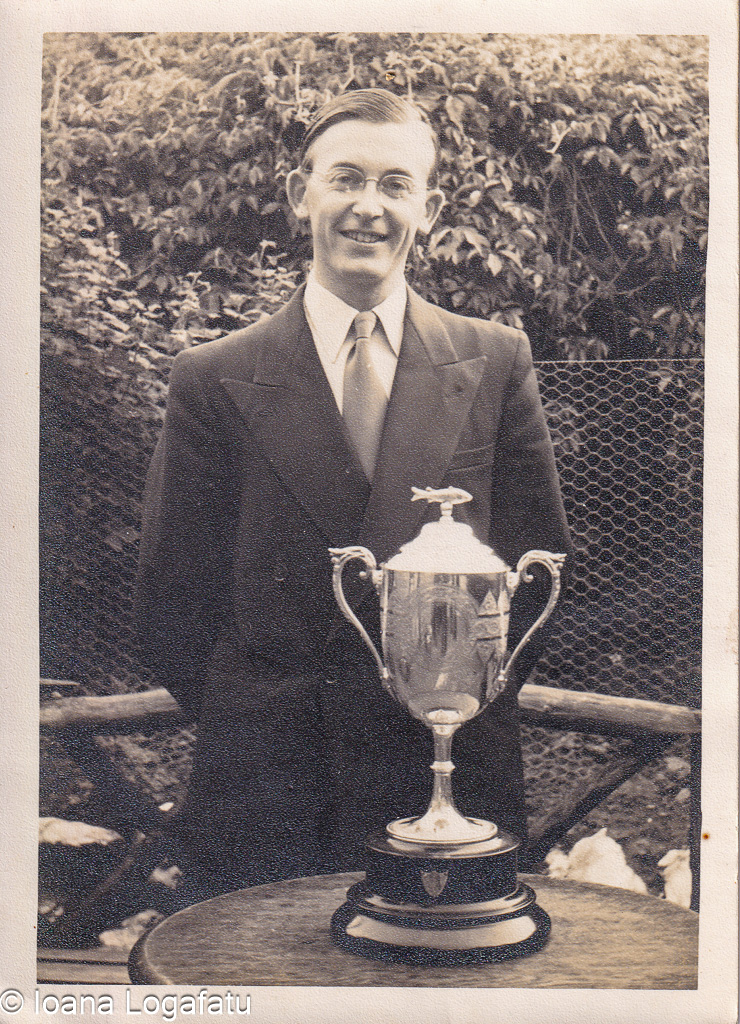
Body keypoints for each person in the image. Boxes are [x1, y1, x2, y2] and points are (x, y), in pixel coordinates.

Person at [135, 88, 572, 900]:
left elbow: (537, 571)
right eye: (346, 179)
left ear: (429, 208)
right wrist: (259, 721)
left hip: (446, 787)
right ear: (301, 192)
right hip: (268, 795)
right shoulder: (213, 376)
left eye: (395, 184)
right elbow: (171, 598)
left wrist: (450, 701)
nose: (369, 207)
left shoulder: (495, 361)